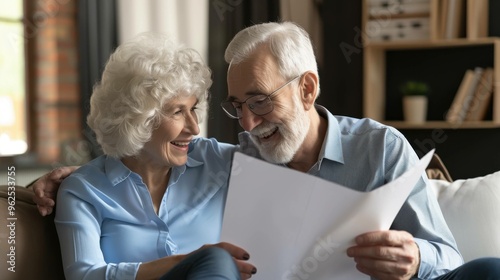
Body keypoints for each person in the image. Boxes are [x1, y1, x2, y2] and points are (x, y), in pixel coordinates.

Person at [33, 22, 500, 279]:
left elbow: (449, 259)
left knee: (486, 271)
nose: (250, 124)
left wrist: (417, 260)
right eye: (238, 107)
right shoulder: (240, 155)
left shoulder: (380, 149)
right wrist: (46, 183)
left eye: (260, 101)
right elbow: (136, 160)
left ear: (308, 89)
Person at [50, 32, 256, 280]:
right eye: (178, 112)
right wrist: (190, 262)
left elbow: (294, 158)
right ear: (137, 118)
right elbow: (84, 275)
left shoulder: (218, 162)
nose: (194, 128)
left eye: (193, 109)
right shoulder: (84, 190)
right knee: (216, 259)